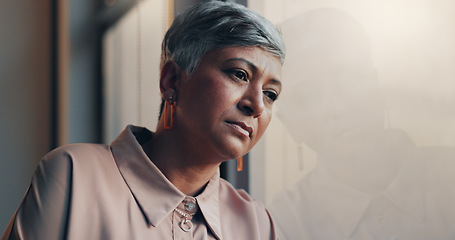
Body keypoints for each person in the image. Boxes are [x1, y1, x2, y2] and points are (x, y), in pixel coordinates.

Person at [1, 1, 285, 239]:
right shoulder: (73, 175)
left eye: (270, 94)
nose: (257, 105)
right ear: (172, 80)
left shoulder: (257, 224)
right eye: (239, 74)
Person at [268, 8, 455, 240]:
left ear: (378, 85)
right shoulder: (279, 224)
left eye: (349, 77)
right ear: (290, 125)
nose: (338, 106)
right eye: (308, 96)